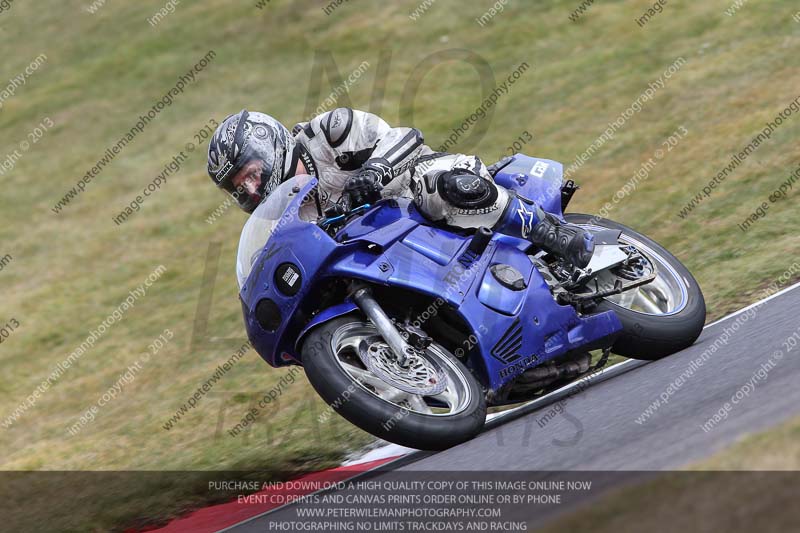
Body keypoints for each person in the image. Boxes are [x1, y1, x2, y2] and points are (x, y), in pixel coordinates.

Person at [206, 108, 594, 268]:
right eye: (240, 187)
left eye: (252, 173)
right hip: (388, 249)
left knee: (443, 186)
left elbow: (404, 136)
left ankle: (553, 232)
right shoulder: (286, 218)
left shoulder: (329, 133)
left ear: (269, 145)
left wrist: (374, 171)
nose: (252, 189)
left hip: (413, 189)